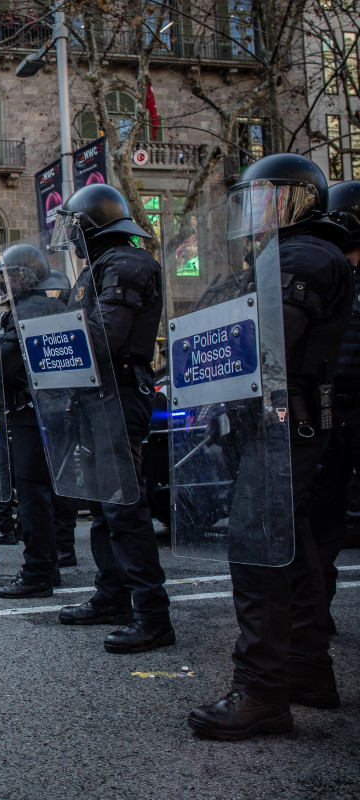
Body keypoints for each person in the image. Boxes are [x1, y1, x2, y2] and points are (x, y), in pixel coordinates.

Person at [190, 156, 352, 740]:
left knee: (259, 545)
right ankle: (306, 669)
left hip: (286, 421)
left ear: (300, 201)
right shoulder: (290, 253)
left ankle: (262, 691)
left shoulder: (304, 255)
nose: (257, 213)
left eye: (268, 198)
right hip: (283, 421)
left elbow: (267, 338)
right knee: (292, 544)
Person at [51, 183, 173, 654]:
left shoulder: (126, 262)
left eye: (76, 227)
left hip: (119, 393)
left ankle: (152, 615)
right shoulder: (100, 266)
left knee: (124, 506)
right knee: (104, 506)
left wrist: (53, 348)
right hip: (97, 395)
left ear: (94, 225)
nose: (72, 237)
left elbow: (104, 336)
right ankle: (112, 597)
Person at [0, 247, 64, 594]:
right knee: (52, 494)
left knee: (33, 496)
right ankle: (51, 566)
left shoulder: (24, 313)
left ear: (21, 276)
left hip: (31, 413)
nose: (1, 285)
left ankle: (38, 573)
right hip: (57, 413)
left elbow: (7, 364)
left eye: (4, 278)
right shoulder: (56, 307)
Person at [307, 180, 360, 636]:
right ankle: (314, 616)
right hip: (330, 403)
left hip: (338, 402)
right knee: (321, 515)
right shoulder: (329, 270)